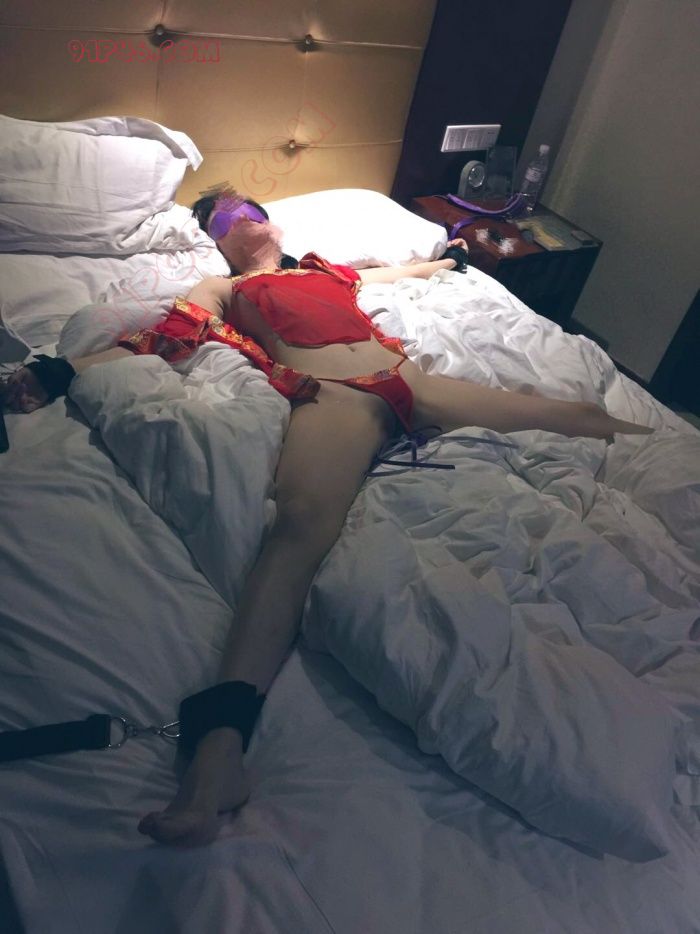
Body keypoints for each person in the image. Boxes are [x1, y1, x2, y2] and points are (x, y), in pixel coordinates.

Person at [1, 188, 654, 848]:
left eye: (252, 209)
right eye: (227, 216)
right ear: (217, 240)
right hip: (340, 397)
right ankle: (218, 754)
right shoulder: (224, 288)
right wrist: (60, 370)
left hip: (412, 382)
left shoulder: (325, 271)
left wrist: (448, 262)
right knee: (298, 530)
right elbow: (168, 337)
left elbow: (398, 274)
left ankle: (647, 442)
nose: (246, 218)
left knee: (583, 419)